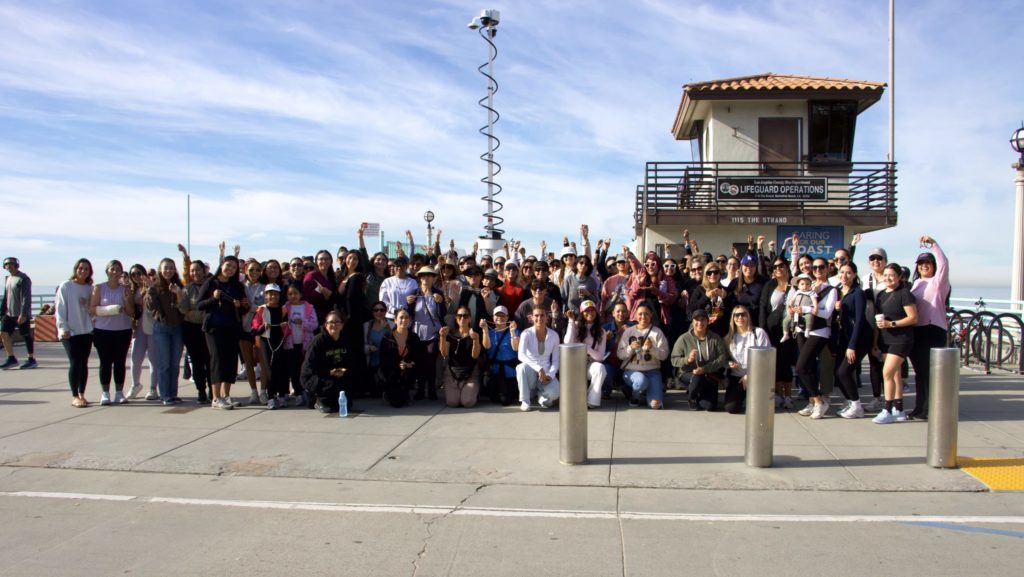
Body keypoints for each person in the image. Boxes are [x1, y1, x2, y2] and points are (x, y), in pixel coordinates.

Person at [198, 256, 249, 410]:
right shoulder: (211, 283)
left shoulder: (237, 286)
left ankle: (226, 396)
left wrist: (240, 305)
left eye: (234, 267)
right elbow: (200, 305)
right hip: (214, 328)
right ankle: (216, 397)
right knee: (218, 360)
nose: (231, 269)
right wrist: (214, 299)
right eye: (228, 265)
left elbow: (244, 308)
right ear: (221, 265)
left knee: (230, 361)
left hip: (232, 328)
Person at [908, 235, 950, 420]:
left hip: (934, 330)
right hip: (917, 330)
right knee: (920, 373)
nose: (924, 266)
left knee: (930, 373)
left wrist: (934, 244)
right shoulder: (915, 284)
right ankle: (920, 407)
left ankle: (930, 409)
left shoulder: (939, 282)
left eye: (928, 263)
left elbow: (944, 263)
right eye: (921, 263)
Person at [872, 263, 918, 424]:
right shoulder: (881, 295)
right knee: (895, 375)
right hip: (885, 340)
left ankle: (887, 409)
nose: (888, 278)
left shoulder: (905, 293)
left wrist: (892, 324)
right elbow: (879, 320)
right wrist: (875, 341)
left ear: (899, 277)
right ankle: (898, 409)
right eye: (885, 275)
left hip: (901, 339)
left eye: (891, 275)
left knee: (887, 374)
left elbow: (913, 318)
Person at [793, 258, 838, 419]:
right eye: (815, 267)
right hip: (802, 330)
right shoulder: (807, 285)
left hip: (819, 331)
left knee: (800, 367)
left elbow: (827, 313)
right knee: (809, 368)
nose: (818, 270)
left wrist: (805, 308)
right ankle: (812, 401)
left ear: (827, 268)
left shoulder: (831, 290)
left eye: (821, 267)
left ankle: (819, 401)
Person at [89, 260, 134, 404]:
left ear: (121, 272)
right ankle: (105, 393)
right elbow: (92, 309)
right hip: (103, 331)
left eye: (118, 270)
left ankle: (119, 393)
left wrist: (126, 300)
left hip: (123, 331)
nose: (115, 272)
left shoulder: (125, 289)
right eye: (112, 269)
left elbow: (131, 312)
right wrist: (109, 310)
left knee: (120, 362)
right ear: (107, 271)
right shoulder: (99, 288)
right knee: (105, 362)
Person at [759, 256, 798, 409]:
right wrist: (762, 329)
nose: (778, 269)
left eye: (781, 266)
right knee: (775, 362)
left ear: (787, 267)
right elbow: (763, 307)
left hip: (791, 328)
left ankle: (788, 395)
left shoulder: (795, 283)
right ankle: (778, 395)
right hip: (773, 328)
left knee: (786, 362)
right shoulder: (770, 285)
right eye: (774, 267)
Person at [300, 310, 357, 413]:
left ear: (342, 325)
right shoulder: (318, 341)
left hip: (338, 375)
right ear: (326, 325)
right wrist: (328, 372)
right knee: (330, 390)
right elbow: (309, 367)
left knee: (347, 404)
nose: (334, 325)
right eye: (331, 322)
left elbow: (351, 361)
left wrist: (343, 371)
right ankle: (317, 400)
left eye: (337, 322)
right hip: (318, 376)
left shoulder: (346, 340)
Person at [56, 258, 95, 407]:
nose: (83, 271)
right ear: (75, 269)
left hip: (86, 331)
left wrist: (88, 305)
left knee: (83, 363)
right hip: (70, 332)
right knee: (74, 362)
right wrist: (63, 327)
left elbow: (92, 310)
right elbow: (60, 309)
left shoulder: (90, 288)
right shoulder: (66, 286)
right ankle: (74, 395)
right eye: (80, 268)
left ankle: (82, 394)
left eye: (86, 269)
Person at [834, 263, 871, 419]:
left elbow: (860, 319)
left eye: (848, 273)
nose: (845, 275)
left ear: (855, 274)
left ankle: (857, 406)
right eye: (842, 272)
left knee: (844, 372)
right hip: (844, 337)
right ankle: (851, 403)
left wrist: (852, 346)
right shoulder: (837, 291)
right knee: (839, 373)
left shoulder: (858, 293)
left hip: (859, 339)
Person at [672, 308, 728, 411]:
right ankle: (691, 398)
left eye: (703, 319)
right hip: (688, 373)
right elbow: (674, 359)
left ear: (708, 321)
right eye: (696, 320)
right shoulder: (683, 338)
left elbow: (722, 358)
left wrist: (705, 369)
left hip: (709, 374)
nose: (700, 322)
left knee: (710, 406)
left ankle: (699, 392)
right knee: (697, 378)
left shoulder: (715, 338)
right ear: (692, 322)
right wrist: (687, 360)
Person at [147, 258, 185, 405]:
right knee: (164, 363)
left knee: (175, 363)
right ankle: (165, 394)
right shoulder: (155, 286)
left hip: (178, 328)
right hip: (162, 328)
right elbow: (151, 306)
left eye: (171, 268)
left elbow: (183, 307)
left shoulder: (179, 285)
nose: (168, 271)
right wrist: (150, 289)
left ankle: (173, 393)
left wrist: (178, 293)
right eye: (166, 268)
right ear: (160, 270)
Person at [618, 303, 669, 409]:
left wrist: (652, 348)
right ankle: (635, 396)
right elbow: (620, 354)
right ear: (635, 316)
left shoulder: (657, 332)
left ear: (651, 315)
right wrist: (630, 348)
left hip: (652, 371)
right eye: (640, 314)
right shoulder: (629, 332)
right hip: (632, 371)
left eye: (646, 314)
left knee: (655, 405)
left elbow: (664, 355)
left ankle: (645, 391)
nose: (643, 317)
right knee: (641, 381)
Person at [724, 305, 770, 414]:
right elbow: (724, 359)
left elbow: (766, 358)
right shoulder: (728, 338)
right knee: (731, 408)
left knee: (758, 410)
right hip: (737, 377)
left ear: (748, 316)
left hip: (756, 376)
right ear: (733, 318)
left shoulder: (758, 333)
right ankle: (743, 397)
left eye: (743, 314)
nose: (740, 317)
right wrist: (729, 363)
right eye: (737, 315)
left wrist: (750, 375)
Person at [251, 284, 292, 408]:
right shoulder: (261, 310)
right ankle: (270, 397)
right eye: (270, 294)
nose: (272, 296)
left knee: (280, 368)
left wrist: (286, 327)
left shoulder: (283, 310)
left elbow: (288, 329)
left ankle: (281, 395)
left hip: (279, 342)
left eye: (275, 294)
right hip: (266, 341)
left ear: (279, 296)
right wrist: (263, 327)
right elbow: (254, 329)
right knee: (269, 370)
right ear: (265, 295)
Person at [409, 267, 445, 400]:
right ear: (420, 278)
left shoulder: (438, 293)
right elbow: (410, 314)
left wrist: (441, 303)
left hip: (433, 332)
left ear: (434, 278)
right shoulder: (414, 293)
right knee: (419, 362)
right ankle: (420, 390)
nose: (426, 278)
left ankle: (431, 390)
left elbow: (443, 314)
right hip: (417, 333)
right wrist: (409, 304)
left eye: (430, 275)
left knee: (431, 361)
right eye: (423, 275)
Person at [179, 258, 212, 403]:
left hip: (208, 328)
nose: (195, 273)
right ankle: (201, 391)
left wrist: (196, 311)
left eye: (198, 270)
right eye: (192, 270)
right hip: (191, 329)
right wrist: (191, 312)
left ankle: (213, 389)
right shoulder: (187, 288)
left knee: (210, 361)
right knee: (197, 362)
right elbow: (184, 308)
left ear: (204, 271)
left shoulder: (211, 286)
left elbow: (211, 306)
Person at [516, 305, 560, 411]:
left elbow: (555, 360)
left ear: (547, 317)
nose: (539, 318)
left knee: (551, 399)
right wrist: (539, 369)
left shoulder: (554, 335)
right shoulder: (526, 333)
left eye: (542, 315)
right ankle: (525, 400)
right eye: (536, 315)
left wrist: (550, 374)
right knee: (521, 367)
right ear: (531, 318)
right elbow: (521, 355)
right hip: (531, 371)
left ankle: (540, 394)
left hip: (546, 372)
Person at [565, 300, 608, 409]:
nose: (590, 313)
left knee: (600, 368)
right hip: (575, 365)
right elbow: (568, 343)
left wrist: (586, 348)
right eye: (586, 310)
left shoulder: (601, 331)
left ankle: (592, 400)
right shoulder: (575, 325)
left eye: (592, 310)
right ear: (581, 313)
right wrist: (571, 321)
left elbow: (600, 357)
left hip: (590, 364)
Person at [861, 247, 888, 411]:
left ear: (885, 261)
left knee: (888, 364)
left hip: (887, 326)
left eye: (879, 258)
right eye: (872, 259)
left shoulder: (890, 277)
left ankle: (890, 398)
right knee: (874, 363)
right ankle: (877, 397)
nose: (876, 262)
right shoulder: (866, 279)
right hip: (871, 325)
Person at [438, 306, 482, 408]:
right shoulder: (450, 335)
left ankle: (474, 391)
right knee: (452, 402)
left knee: (467, 402)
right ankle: (462, 391)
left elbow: (475, 355)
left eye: (465, 316)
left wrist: (475, 340)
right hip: (452, 373)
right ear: (456, 318)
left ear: (470, 318)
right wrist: (442, 338)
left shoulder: (475, 334)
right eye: (459, 316)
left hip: (470, 374)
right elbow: (444, 354)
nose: (462, 318)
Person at [283, 281, 317, 405]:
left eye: (295, 293)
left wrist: (302, 322)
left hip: (305, 344)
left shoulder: (308, 307)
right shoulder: (285, 308)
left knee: (305, 368)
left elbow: (314, 324)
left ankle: (306, 390)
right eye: (290, 294)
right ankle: (297, 393)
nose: (293, 296)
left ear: (301, 294)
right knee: (293, 369)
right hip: (290, 343)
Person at [377, 308, 420, 407]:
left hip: (408, 372)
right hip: (391, 372)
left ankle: (405, 391)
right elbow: (383, 359)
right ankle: (388, 392)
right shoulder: (387, 337)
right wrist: (398, 365)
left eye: (406, 317)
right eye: (401, 317)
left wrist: (410, 364)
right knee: (397, 403)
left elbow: (418, 356)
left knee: (402, 400)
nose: (404, 320)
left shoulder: (414, 337)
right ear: (395, 320)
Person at [1, 257, 37, 369]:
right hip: (9, 313)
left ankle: (31, 359)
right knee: (3, 332)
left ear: (16, 265)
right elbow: (6, 296)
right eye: (7, 265)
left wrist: (23, 314)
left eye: (11, 264)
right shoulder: (8, 278)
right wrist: (1, 311)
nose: (9, 266)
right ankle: (11, 358)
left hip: (21, 314)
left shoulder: (24, 278)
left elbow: (26, 297)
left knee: (25, 335)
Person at [240, 259, 267, 405]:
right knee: (248, 362)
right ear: (245, 271)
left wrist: (251, 307)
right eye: (251, 270)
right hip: (244, 328)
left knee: (263, 362)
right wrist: (252, 307)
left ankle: (263, 391)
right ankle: (253, 392)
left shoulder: (265, 287)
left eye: (257, 269)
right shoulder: (241, 287)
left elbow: (264, 307)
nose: (254, 272)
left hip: (260, 329)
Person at [481, 305, 520, 405]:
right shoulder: (489, 332)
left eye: (503, 316)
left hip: (510, 373)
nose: (500, 318)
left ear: (507, 317)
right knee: (494, 399)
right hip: (495, 372)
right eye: (497, 315)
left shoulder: (515, 331)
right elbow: (487, 346)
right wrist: (485, 330)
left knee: (506, 401)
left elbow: (516, 348)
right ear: (493, 318)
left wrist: (512, 333)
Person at [688, 262, 733, 336]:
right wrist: (706, 297)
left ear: (720, 274)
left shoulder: (725, 291)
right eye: (709, 273)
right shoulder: (699, 290)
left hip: (721, 332)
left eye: (715, 272)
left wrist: (725, 298)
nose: (713, 275)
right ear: (706, 275)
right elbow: (691, 310)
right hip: (702, 331)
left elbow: (731, 312)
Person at [379, 255, 417, 322]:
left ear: (406, 267)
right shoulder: (387, 281)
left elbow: (417, 298)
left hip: (407, 317)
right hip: (391, 318)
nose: (399, 268)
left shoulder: (413, 282)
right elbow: (383, 301)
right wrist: (394, 311)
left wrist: (412, 301)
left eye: (402, 265)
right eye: (397, 266)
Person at [781, 274, 817, 342]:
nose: (805, 286)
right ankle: (786, 334)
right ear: (798, 285)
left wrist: (815, 308)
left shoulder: (811, 293)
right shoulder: (797, 292)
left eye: (807, 284)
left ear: (810, 285)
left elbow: (814, 301)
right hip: (795, 311)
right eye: (802, 284)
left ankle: (807, 330)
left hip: (806, 311)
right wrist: (790, 307)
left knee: (809, 318)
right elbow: (792, 300)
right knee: (785, 321)